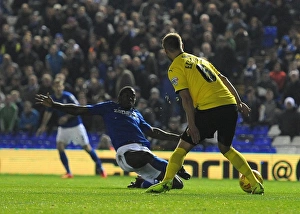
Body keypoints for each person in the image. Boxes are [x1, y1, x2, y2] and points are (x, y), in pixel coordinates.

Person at [146, 33, 264, 194]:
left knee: (181, 147)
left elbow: (186, 99)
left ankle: (166, 182)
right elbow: (223, 78)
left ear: (166, 51)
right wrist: (239, 101)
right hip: (229, 105)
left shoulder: (175, 67)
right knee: (226, 148)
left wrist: (192, 125)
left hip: (210, 107)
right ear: (182, 45)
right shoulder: (201, 60)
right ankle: (255, 184)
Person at [36, 86, 191, 188]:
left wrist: (177, 138)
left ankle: (144, 183)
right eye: (126, 95)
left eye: (133, 96)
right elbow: (80, 110)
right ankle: (177, 167)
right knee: (146, 156)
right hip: (127, 152)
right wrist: (55, 105)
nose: (130, 98)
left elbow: (152, 131)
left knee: (177, 185)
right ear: (119, 97)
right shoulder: (109, 107)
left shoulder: (136, 114)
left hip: (143, 152)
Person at [36, 79, 106, 179]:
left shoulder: (68, 96)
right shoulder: (52, 99)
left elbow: (78, 108)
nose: (58, 88)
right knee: (60, 146)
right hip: (63, 128)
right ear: (53, 88)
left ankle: (101, 168)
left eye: (59, 86)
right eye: (56, 86)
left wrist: (66, 117)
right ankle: (68, 172)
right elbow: (48, 112)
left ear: (63, 87)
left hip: (75, 126)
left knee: (87, 148)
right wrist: (43, 125)